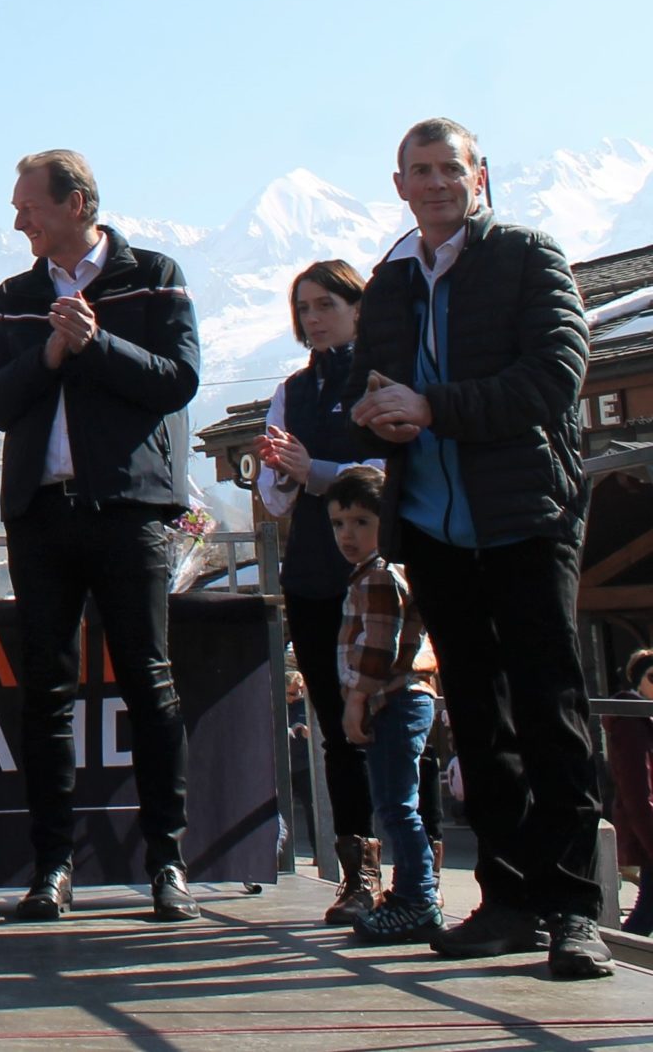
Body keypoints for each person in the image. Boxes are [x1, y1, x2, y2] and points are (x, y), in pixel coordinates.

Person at [347, 117, 607, 978]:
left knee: (549, 708)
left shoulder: (531, 257)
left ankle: (574, 908)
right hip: (433, 524)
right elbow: (370, 379)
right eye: (418, 171)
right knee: (478, 717)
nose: (434, 183)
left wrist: (432, 408)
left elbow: (554, 377)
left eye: (448, 168)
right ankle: (506, 900)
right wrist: (372, 406)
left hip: (527, 515)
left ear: (480, 175)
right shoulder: (385, 285)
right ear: (399, 185)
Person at [0, 149, 202, 923]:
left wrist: (97, 342)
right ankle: (52, 866)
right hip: (40, 514)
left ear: (75, 204)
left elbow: (178, 378)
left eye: (27, 206)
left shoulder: (154, 273)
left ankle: (167, 859)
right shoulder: (13, 297)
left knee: (149, 681)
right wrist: (51, 350)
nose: (17, 221)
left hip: (129, 511)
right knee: (46, 692)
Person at [252, 261, 383, 922]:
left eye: (326, 303)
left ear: (358, 306)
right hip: (310, 575)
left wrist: (320, 471)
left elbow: (390, 471)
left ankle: (416, 868)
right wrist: (279, 471)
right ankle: (357, 872)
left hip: (380, 577)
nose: (313, 317)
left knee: (393, 717)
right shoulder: (292, 390)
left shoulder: (383, 373)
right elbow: (276, 496)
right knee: (336, 725)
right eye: (303, 306)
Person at [325, 467, 444, 946]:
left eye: (360, 521)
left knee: (397, 805)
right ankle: (413, 891)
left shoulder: (378, 576)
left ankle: (418, 895)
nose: (348, 535)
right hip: (401, 697)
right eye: (338, 524)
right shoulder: (378, 573)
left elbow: (379, 646)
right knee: (397, 801)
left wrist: (356, 699)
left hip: (394, 696)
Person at [604, 649, 653, 937]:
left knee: (646, 910)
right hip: (646, 827)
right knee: (645, 914)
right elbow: (637, 789)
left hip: (645, 828)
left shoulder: (644, 717)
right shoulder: (632, 720)